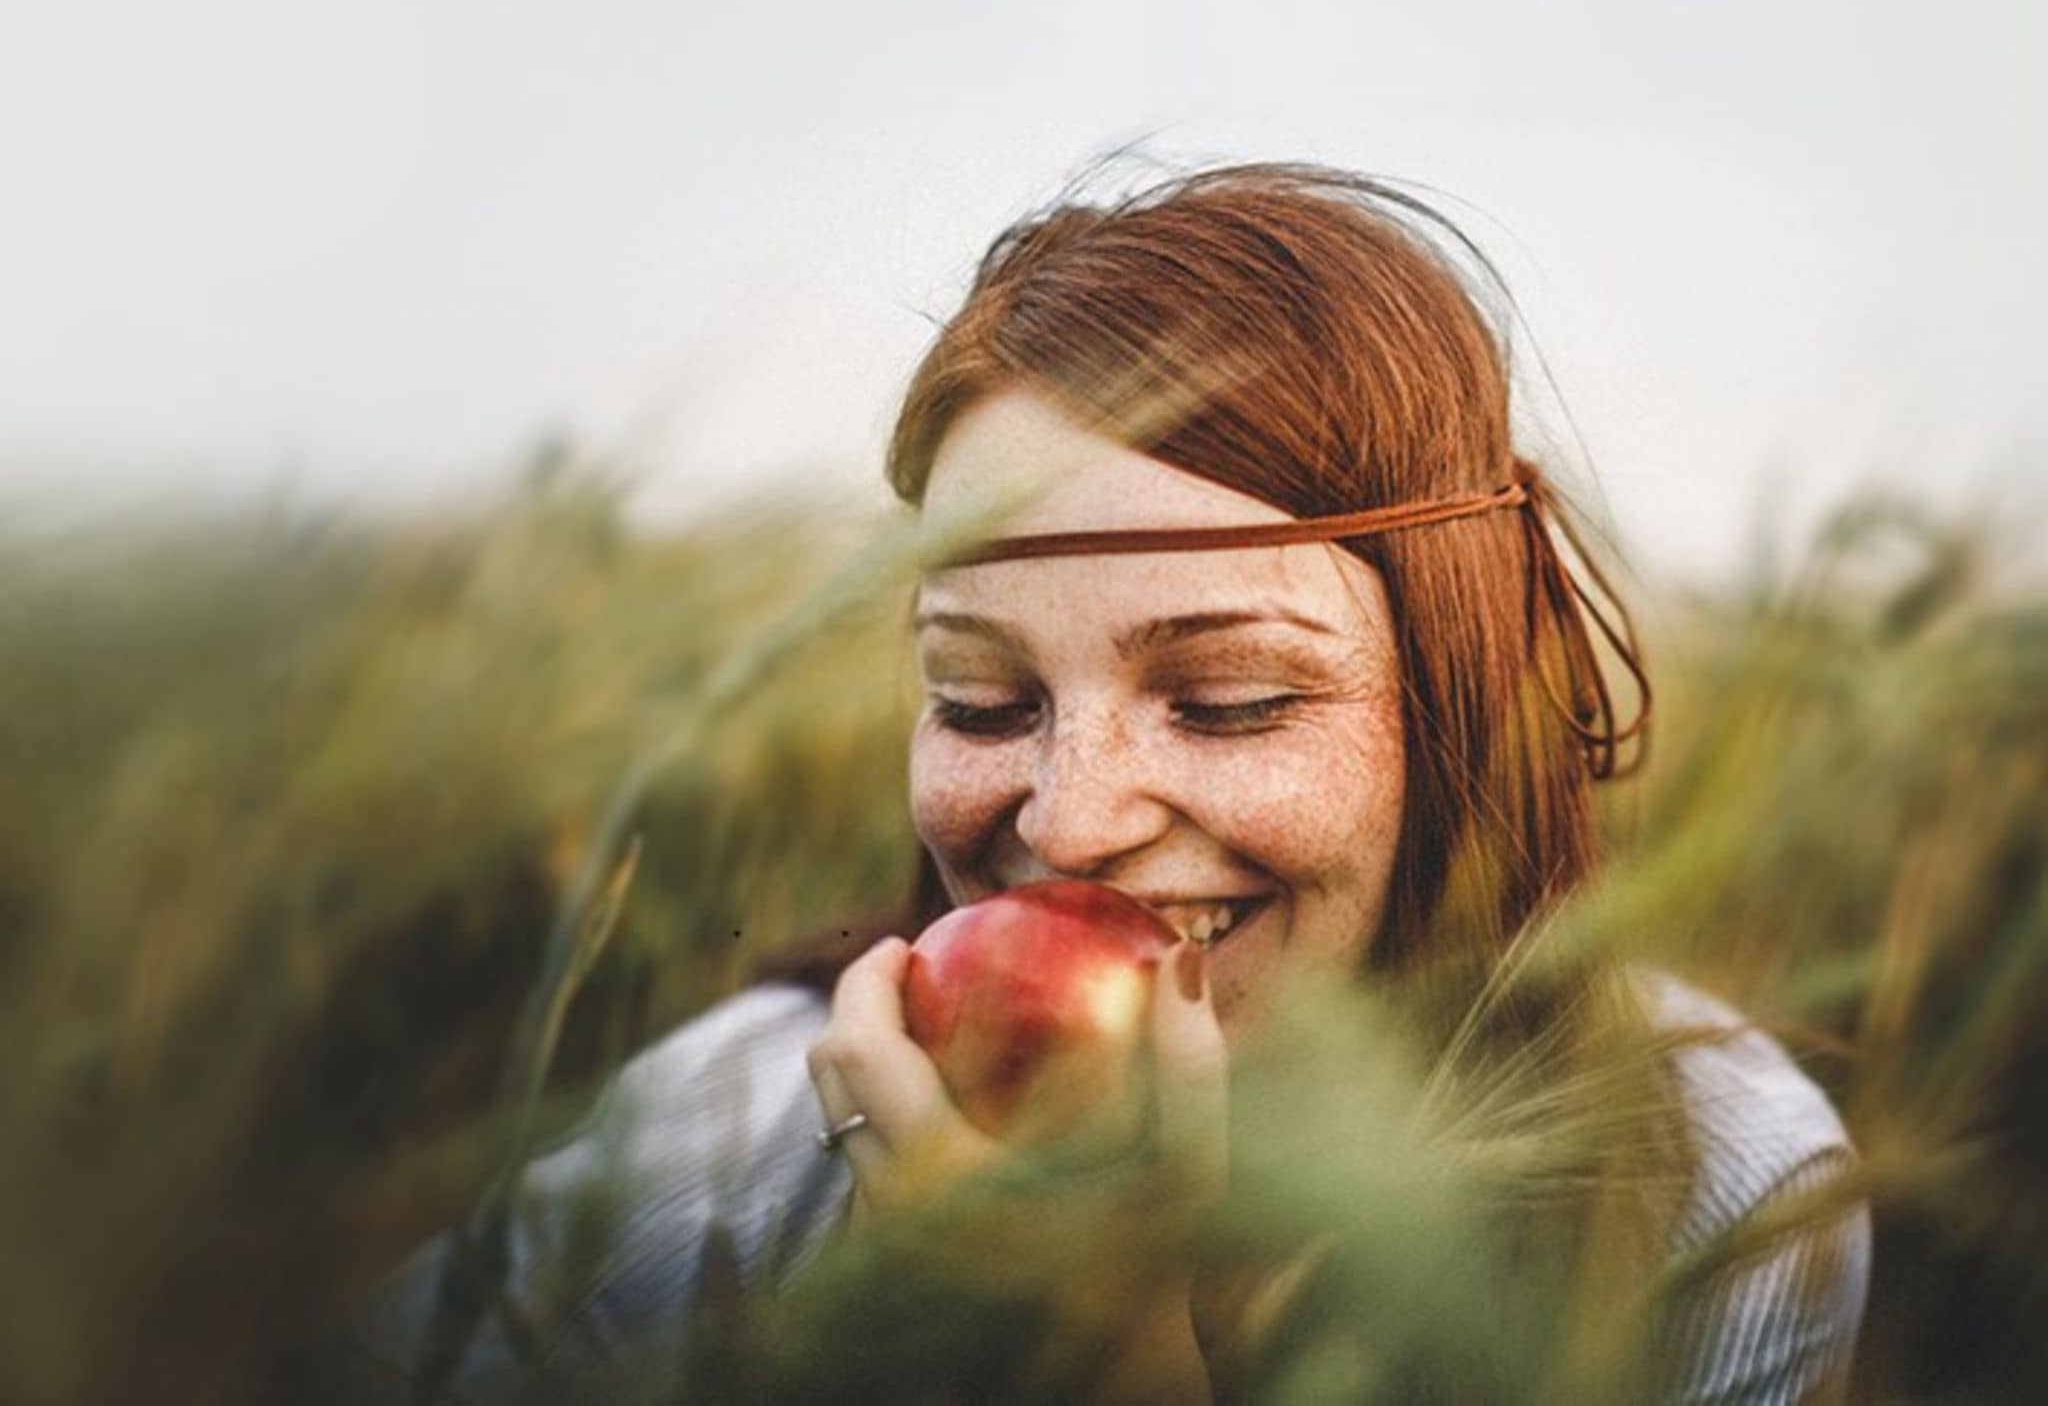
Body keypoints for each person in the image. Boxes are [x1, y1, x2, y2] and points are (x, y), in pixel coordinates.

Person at [320, 164, 1870, 1403]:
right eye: (981, 699)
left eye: (1227, 699)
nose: (1069, 823)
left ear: (1457, 705)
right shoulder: (710, 1161)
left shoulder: (1707, 1189)